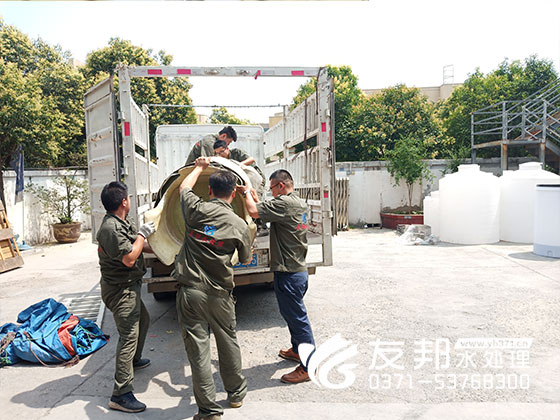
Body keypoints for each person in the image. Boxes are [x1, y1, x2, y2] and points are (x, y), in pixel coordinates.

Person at [174, 157, 252, 420]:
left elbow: (183, 188)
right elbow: (245, 260)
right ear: (233, 193)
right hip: (221, 294)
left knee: (198, 352)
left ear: (209, 190)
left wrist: (198, 167)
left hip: (191, 292)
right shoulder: (239, 225)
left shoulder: (196, 209)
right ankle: (236, 394)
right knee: (228, 342)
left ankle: (208, 411)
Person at [237, 169, 314, 384]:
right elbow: (264, 210)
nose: (271, 193)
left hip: (289, 273)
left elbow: (254, 212)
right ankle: (297, 350)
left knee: (298, 320)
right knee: (291, 315)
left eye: (272, 188)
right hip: (296, 270)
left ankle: (308, 366)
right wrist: (254, 197)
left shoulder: (285, 204)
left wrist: (246, 193)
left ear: (281, 185)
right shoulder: (297, 202)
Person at [96, 181, 156, 413]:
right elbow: (130, 258)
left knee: (144, 320)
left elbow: (137, 245)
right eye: (129, 197)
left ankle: (133, 361)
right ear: (124, 202)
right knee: (128, 336)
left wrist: (163, 248)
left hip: (128, 287)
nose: (130, 200)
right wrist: (141, 234)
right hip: (120, 290)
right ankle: (120, 394)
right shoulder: (110, 229)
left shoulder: (121, 223)